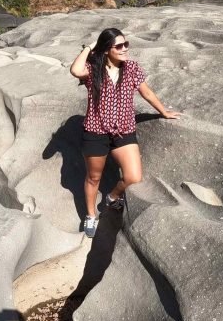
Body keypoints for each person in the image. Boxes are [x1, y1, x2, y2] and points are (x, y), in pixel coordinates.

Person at [70, 27, 180, 237]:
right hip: (96, 131)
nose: (124, 49)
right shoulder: (93, 68)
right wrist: (91, 47)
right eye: (119, 46)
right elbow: (75, 70)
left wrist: (164, 111)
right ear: (106, 50)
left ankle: (112, 197)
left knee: (133, 176)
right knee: (94, 178)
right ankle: (91, 215)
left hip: (124, 130)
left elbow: (146, 92)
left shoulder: (131, 68)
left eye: (126, 44)